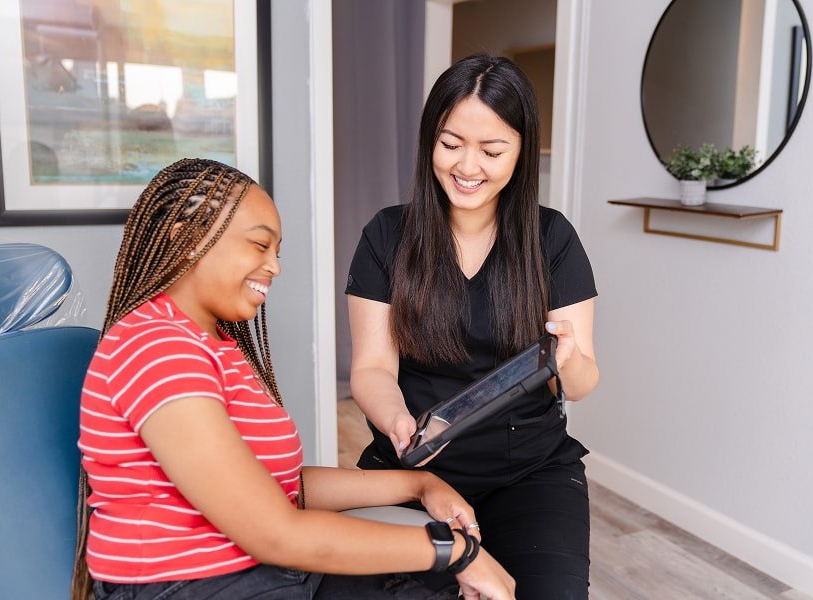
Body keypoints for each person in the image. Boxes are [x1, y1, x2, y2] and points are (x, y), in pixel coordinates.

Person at [71, 158, 515, 600]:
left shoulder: (212, 345)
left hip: (256, 573)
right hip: (188, 586)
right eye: (259, 245)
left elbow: (282, 486)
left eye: (276, 251)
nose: (275, 267)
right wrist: (456, 551)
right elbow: (276, 533)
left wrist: (419, 484)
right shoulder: (157, 348)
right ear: (187, 239)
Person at [346, 55, 599, 599]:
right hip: (409, 468)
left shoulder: (552, 240)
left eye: (492, 150)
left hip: (529, 471)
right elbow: (371, 368)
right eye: (450, 143)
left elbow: (579, 384)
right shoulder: (387, 236)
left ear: (521, 151)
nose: (468, 166)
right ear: (429, 142)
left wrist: (568, 354)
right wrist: (398, 422)